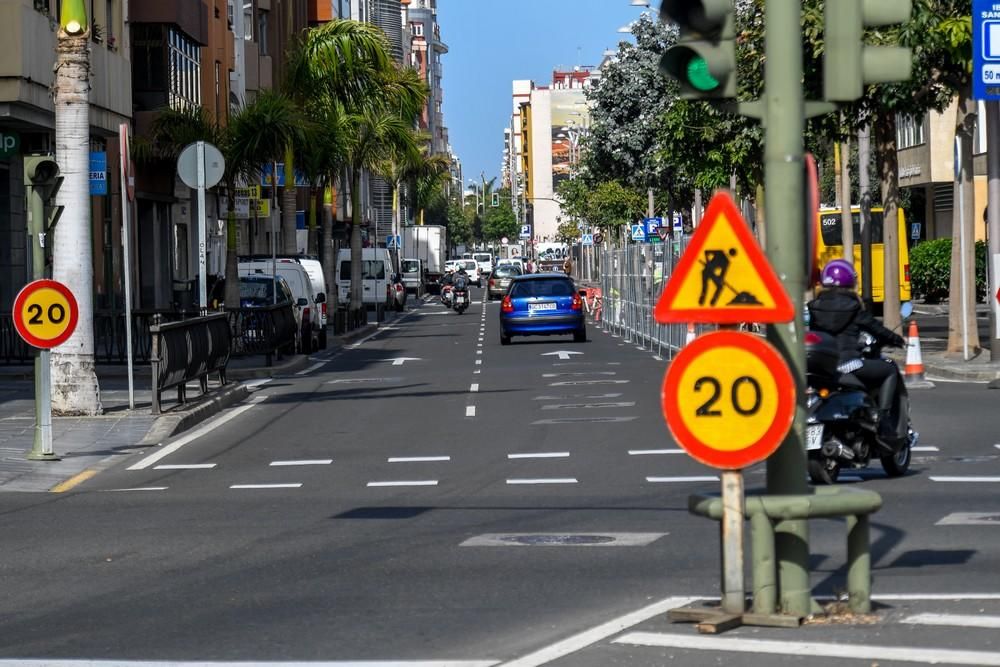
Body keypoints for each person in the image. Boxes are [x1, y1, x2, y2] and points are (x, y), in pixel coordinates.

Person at [807, 258, 907, 445]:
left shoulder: (814, 307)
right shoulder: (853, 307)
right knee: (890, 369)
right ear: (850, 281)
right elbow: (875, 328)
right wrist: (896, 339)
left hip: (824, 368)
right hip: (849, 364)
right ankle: (883, 418)